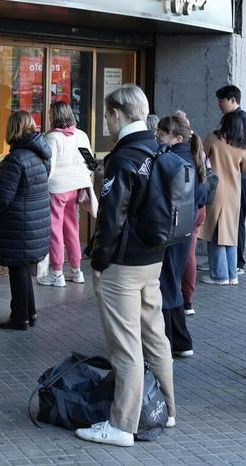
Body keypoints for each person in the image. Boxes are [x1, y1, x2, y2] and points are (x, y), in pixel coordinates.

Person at [76, 84, 176, 447]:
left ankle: (122, 424)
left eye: (106, 114)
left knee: (125, 346)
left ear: (117, 113)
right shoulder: (157, 147)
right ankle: (166, 409)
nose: (106, 121)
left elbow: (111, 218)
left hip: (123, 263)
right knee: (154, 335)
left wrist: (99, 260)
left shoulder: (124, 156)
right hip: (153, 258)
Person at [0, 111, 52, 330]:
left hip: (19, 224)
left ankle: (19, 317)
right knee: (23, 269)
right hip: (34, 223)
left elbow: (3, 198)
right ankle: (29, 313)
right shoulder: (40, 155)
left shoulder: (15, 160)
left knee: (17, 271)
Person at [155, 115, 207, 357]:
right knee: (172, 280)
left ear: (177, 138)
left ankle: (167, 342)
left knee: (165, 283)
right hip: (185, 228)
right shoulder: (195, 159)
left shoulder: (169, 160)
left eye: (161, 134)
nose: (157, 138)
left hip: (169, 229)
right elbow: (203, 194)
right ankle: (181, 341)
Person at [38, 101, 95, 287]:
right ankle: (77, 271)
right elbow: (91, 163)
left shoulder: (52, 138)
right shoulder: (81, 135)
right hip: (76, 188)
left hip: (57, 189)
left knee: (55, 231)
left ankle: (57, 273)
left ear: (54, 116)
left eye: (49, 114)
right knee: (72, 228)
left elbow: (49, 167)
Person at [199, 112, 246, 285]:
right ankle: (232, 274)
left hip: (216, 190)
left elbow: (201, 156)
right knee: (230, 233)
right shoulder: (243, 146)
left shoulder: (214, 138)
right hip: (234, 194)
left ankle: (219, 275)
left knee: (216, 233)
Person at [215, 85, 246, 272]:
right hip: (231, 175)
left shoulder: (243, 119)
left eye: (221, 100)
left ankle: (238, 262)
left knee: (236, 219)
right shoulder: (230, 118)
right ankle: (225, 262)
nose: (219, 104)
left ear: (232, 100)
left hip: (240, 176)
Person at [181, 130, 208, 316]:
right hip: (200, 210)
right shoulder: (199, 158)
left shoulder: (182, 161)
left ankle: (184, 299)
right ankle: (188, 300)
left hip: (188, 212)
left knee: (185, 255)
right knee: (190, 255)